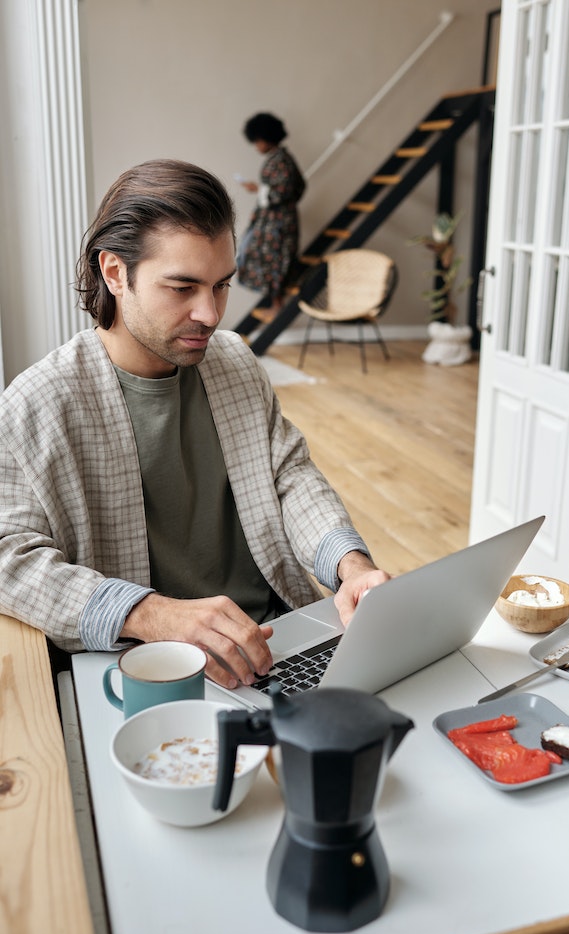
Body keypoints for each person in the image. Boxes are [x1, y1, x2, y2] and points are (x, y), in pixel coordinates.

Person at [0, 158, 388, 689]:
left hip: (279, 640)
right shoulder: (39, 401)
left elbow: (289, 475)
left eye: (221, 285)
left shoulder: (234, 361)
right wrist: (152, 614)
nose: (210, 313)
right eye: (182, 288)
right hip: (149, 666)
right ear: (114, 273)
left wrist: (353, 567)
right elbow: (7, 558)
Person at [236, 112, 305, 320]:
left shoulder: (281, 161)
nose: (256, 146)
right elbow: (298, 187)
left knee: (276, 260)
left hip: (278, 223)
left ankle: (277, 305)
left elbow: (284, 191)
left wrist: (258, 189)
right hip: (274, 221)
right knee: (265, 257)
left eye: (257, 141)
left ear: (265, 138)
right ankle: (275, 303)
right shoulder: (279, 159)